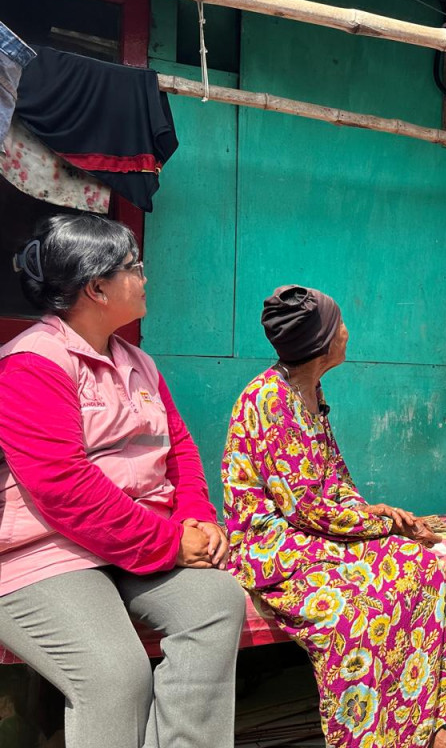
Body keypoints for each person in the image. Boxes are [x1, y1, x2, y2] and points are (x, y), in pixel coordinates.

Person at [0, 214, 246, 748]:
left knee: (216, 601)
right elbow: (62, 489)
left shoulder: (137, 361)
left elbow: (178, 449)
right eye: (134, 267)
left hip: (131, 544)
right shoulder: (32, 364)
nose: (145, 277)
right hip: (45, 552)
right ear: (96, 287)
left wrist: (196, 518)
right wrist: (171, 541)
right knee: (116, 676)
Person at [222, 285, 446, 748]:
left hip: (312, 531)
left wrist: (377, 513)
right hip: (273, 543)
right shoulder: (269, 400)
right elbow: (304, 508)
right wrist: (381, 525)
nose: (348, 332)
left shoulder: (310, 390)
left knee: (418, 568)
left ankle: (426, 728)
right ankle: (365, 737)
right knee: (356, 608)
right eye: (340, 324)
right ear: (323, 342)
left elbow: (333, 481)